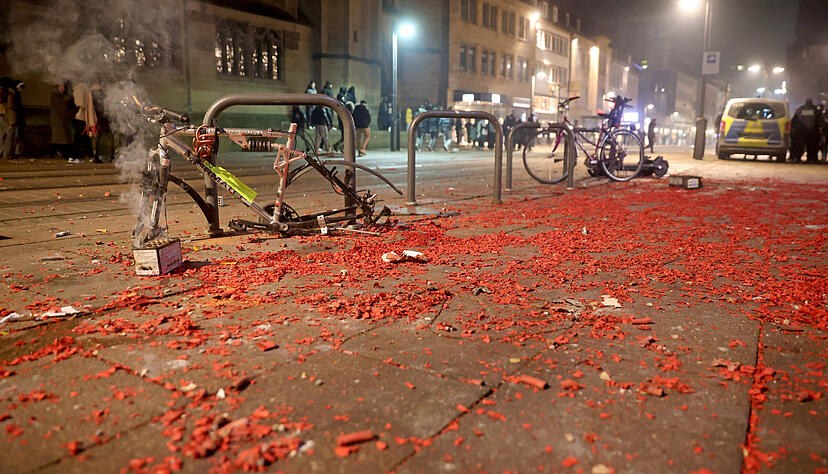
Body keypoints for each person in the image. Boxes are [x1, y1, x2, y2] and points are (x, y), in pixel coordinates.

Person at [50, 82, 76, 161]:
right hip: (58, 119)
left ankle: (61, 152)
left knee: (64, 137)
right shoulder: (55, 95)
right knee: (61, 137)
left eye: (63, 86)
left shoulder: (65, 95)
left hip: (64, 119)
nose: (62, 88)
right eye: (60, 86)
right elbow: (61, 105)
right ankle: (57, 152)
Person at [791, 98, 820, 163]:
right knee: (812, 146)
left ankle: (798, 158)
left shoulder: (800, 109)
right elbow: (820, 120)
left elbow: (794, 120)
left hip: (801, 131)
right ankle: (811, 158)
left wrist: (794, 129)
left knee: (800, 145)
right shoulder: (816, 109)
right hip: (813, 131)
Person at [0, 77, 19, 159]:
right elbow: (10, 106)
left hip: (3, 115)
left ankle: (4, 153)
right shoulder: (9, 93)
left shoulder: (4, 92)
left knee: (3, 136)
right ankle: (6, 154)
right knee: (9, 135)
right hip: (6, 116)